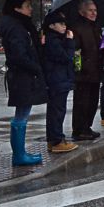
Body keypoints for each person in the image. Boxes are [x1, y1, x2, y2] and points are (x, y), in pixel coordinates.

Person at [0, 0, 46, 166]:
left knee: (22, 114)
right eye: (27, 5)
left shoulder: (18, 25)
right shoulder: (17, 28)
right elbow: (19, 55)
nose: (30, 9)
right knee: (22, 115)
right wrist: (36, 67)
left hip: (21, 75)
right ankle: (19, 155)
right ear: (17, 8)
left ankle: (20, 153)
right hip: (22, 76)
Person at [41, 13, 78, 154]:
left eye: (64, 23)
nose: (64, 26)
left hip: (59, 79)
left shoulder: (54, 39)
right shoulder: (53, 41)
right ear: (51, 26)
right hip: (57, 80)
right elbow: (66, 57)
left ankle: (54, 139)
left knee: (56, 111)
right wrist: (69, 41)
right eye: (60, 24)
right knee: (57, 111)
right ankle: (57, 140)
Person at [70, 0, 103, 141]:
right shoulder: (77, 28)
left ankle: (87, 126)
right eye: (90, 10)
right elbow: (75, 50)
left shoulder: (95, 27)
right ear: (81, 12)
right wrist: (79, 67)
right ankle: (79, 129)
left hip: (96, 70)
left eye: (95, 10)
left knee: (93, 101)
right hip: (83, 72)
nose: (94, 13)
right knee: (82, 102)